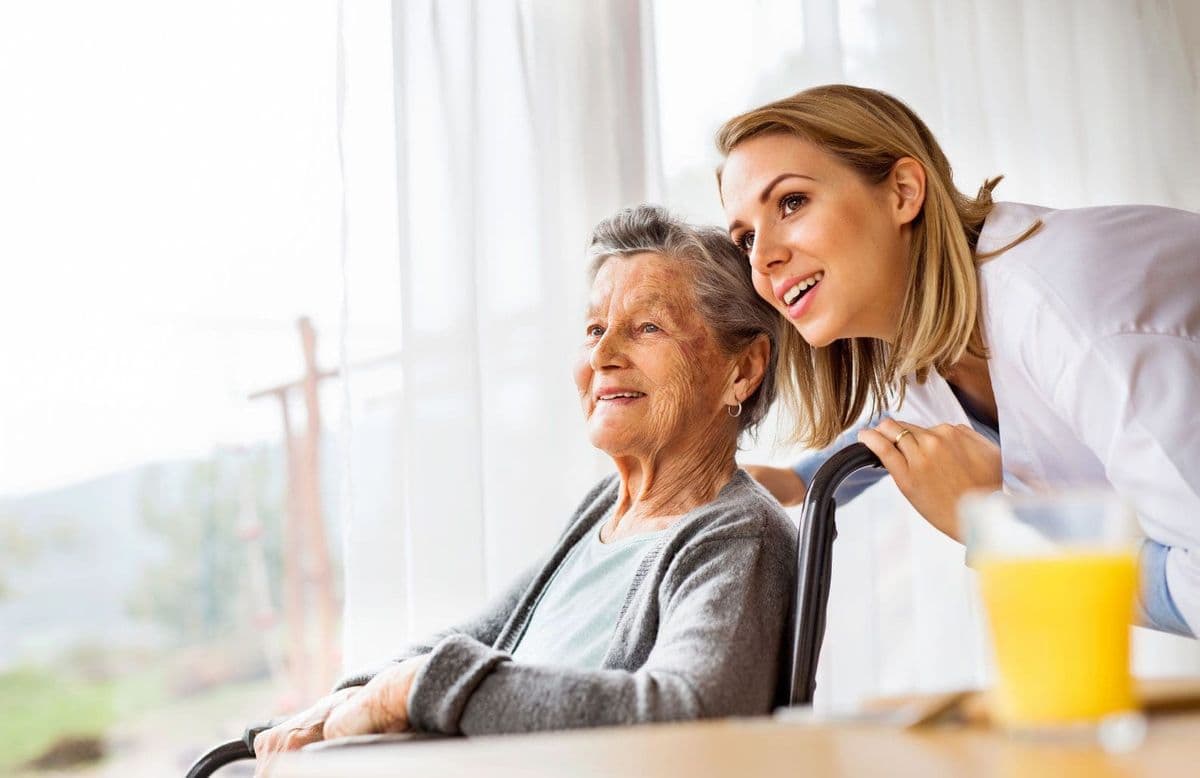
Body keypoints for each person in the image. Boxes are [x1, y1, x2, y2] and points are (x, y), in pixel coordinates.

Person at [251, 205, 795, 772]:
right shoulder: (605, 512)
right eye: (594, 330)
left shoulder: (738, 536)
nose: (602, 356)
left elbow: (692, 714)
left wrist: (412, 690)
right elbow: (482, 635)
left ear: (743, 369)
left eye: (647, 327)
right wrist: (355, 694)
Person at [718, 84, 1200, 638]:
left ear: (903, 192)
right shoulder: (937, 339)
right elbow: (908, 420)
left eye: (792, 202)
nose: (763, 258)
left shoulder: (1068, 314)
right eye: (745, 238)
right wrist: (798, 481)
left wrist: (994, 526)